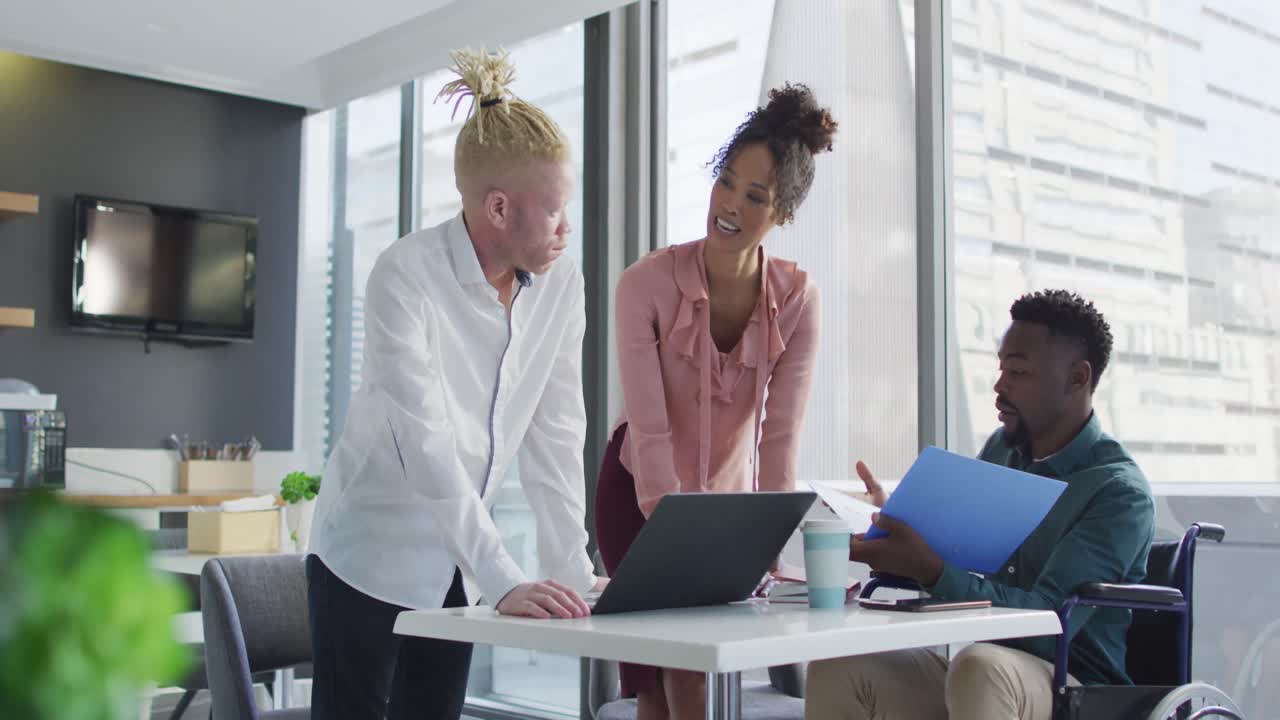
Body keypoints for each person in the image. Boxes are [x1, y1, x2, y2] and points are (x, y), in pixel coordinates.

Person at [306, 48, 605, 720]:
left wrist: (570, 571)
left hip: (455, 567)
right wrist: (504, 579)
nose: (567, 227)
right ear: (500, 208)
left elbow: (557, 433)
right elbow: (426, 443)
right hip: (366, 558)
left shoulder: (562, 282)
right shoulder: (404, 275)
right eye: (555, 209)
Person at [595, 83, 837, 720]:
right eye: (726, 182)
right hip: (639, 495)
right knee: (667, 681)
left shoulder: (799, 299)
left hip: (723, 514)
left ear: (781, 213)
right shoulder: (644, 285)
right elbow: (648, 433)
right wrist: (681, 540)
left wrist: (764, 544)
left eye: (754, 196)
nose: (729, 205)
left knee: (691, 679)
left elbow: (779, 441)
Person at [805, 289, 1156, 720]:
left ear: (1077, 378)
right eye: (1001, 368)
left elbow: (1050, 627)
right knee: (839, 667)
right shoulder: (1002, 451)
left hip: (1074, 685)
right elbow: (955, 553)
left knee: (979, 669)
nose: (999, 385)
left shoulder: (1116, 492)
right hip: (986, 674)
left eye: (1019, 371)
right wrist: (889, 522)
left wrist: (930, 568)